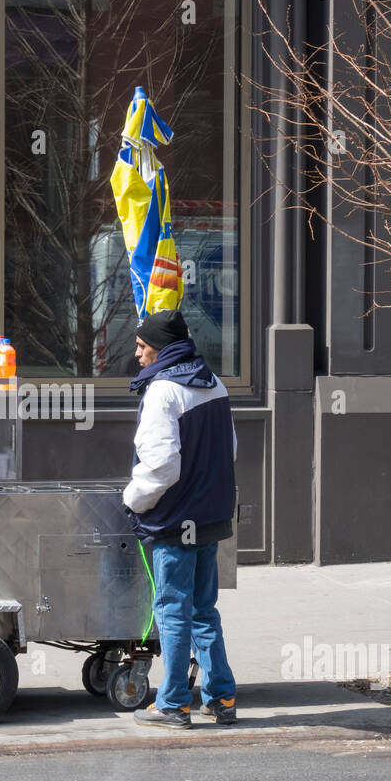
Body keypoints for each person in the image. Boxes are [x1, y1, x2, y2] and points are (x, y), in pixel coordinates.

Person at [123, 309, 238, 729]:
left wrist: (133, 499)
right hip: (210, 517)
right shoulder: (215, 383)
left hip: (174, 519)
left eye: (142, 346)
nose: (137, 354)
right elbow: (231, 451)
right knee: (204, 610)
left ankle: (172, 703)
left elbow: (162, 466)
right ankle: (222, 698)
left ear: (161, 349)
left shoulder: (163, 391)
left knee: (172, 610)